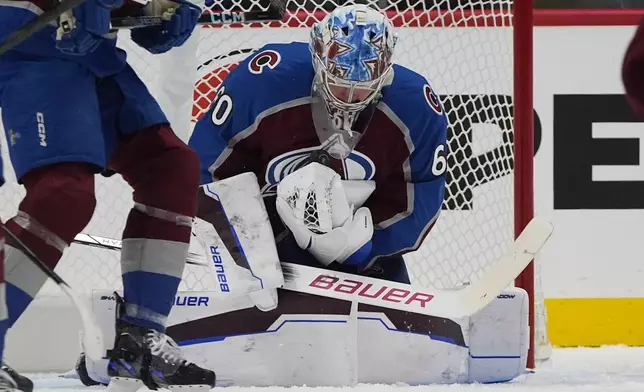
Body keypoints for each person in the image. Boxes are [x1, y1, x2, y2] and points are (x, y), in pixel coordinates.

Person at [0, 0, 216, 389]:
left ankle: (138, 338)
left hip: (88, 49)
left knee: (169, 169)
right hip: (28, 40)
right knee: (62, 196)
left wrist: (161, 8)